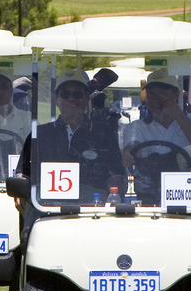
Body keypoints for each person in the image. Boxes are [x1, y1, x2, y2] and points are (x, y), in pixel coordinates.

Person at [18, 70, 124, 202]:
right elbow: (23, 174)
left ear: (86, 97)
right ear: (56, 98)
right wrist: (20, 194)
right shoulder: (39, 135)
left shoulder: (104, 134)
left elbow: (117, 173)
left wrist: (115, 186)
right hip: (46, 207)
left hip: (92, 208)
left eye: (77, 94)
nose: (71, 99)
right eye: (65, 94)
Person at [122, 69, 191, 192]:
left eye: (161, 93)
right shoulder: (137, 127)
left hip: (188, 190)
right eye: (151, 93)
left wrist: (178, 114)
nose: (155, 98)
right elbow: (133, 146)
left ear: (175, 95)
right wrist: (129, 153)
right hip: (149, 190)